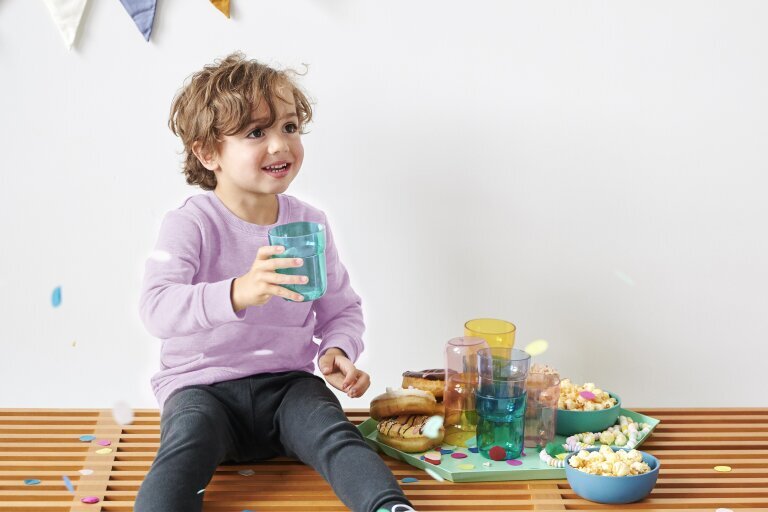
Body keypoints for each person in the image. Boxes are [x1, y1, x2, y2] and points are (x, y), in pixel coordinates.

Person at [134, 52, 416, 512]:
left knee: (337, 435)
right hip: (201, 389)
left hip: (288, 388)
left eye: (289, 127)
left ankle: (388, 506)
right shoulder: (191, 223)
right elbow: (156, 308)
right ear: (207, 152)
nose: (280, 145)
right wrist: (237, 292)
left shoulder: (309, 223)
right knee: (184, 447)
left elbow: (341, 308)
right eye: (255, 133)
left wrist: (337, 350)